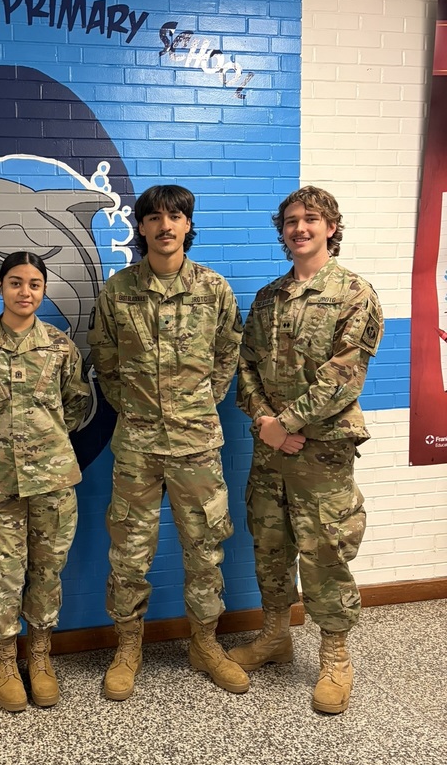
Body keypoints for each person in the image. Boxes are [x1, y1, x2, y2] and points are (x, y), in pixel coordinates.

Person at [88, 184, 248, 700]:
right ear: (141, 228)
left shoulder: (213, 289)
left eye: (175, 216)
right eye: (154, 217)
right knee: (129, 554)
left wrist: (196, 404)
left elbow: (228, 357)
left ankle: (204, 643)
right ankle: (128, 648)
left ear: (187, 225)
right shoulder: (117, 291)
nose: (165, 225)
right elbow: (104, 361)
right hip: (136, 445)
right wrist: (139, 408)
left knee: (204, 551)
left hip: (197, 444)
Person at [231, 186, 383, 714]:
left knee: (324, 552)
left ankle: (335, 656)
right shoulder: (269, 298)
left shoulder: (353, 295)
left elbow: (345, 377)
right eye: (292, 220)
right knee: (270, 544)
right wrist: (265, 423)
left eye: (311, 219)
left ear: (331, 228)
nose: (300, 228)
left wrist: (289, 422)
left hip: (321, 452)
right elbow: (244, 366)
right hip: (271, 448)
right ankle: (275, 636)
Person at [0, 251, 89, 712]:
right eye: (15, 283)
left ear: (44, 289)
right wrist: (0, 441)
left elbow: (76, 405)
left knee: (48, 574)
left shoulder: (59, 346)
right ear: (0, 287)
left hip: (52, 482)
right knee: (4, 577)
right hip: (0, 485)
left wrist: (43, 441)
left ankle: (41, 657)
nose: (25, 292)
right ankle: (5, 663)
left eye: (34, 283)